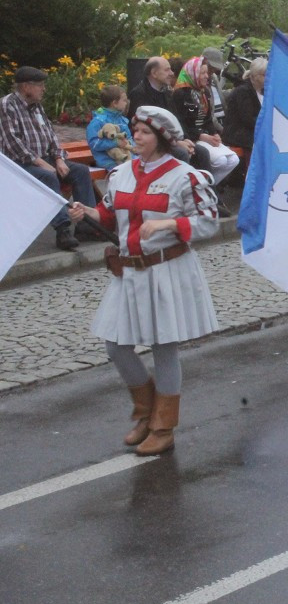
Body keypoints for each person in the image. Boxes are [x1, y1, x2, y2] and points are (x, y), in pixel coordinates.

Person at [68, 105, 219, 456]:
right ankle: (146, 411)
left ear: (162, 138)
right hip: (128, 270)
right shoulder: (121, 172)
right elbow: (108, 212)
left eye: (144, 132)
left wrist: (168, 224)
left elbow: (209, 223)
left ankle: (163, 425)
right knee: (116, 345)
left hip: (166, 269)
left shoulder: (185, 176)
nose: (135, 136)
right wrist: (85, 212)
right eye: (134, 130)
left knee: (163, 345)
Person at [1, 66, 97, 250]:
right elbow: (12, 141)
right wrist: (41, 162)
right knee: (47, 176)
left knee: (81, 171)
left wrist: (59, 159)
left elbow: (51, 135)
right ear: (26, 87)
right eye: (40, 85)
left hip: (46, 159)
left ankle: (86, 224)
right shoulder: (7, 105)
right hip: (18, 165)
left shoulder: (37, 107)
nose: (44, 89)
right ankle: (62, 230)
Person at [169, 57, 240, 189]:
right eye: (203, 73)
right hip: (191, 137)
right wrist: (201, 136)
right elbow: (181, 123)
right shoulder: (180, 94)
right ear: (193, 73)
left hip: (205, 134)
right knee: (220, 160)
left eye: (207, 73)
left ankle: (206, 186)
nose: (207, 76)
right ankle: (207, 188)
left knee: (233, 159)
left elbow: (207, 119)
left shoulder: (204, 92)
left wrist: (214, 133)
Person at [222, 57, 266, 186]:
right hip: (239, 131)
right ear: (254, 76)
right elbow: (248, 119)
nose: (268, 78)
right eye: (264, 75)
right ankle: (253, 181)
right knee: (261, 142)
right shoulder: (243, 91)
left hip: (254, 128)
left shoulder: (264, 91)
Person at [86, 85, 134, 169]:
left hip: (126, 158)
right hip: (108, 161)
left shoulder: (122, 120)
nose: (126, 103)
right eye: (124, 100)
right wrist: (115, 143)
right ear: (115, 103)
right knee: (125, 174)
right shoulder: (98, 121)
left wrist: (129, 143)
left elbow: (129, 137)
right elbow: (94, 143)